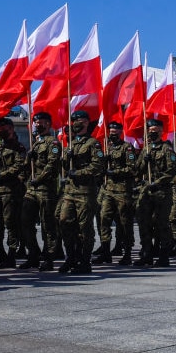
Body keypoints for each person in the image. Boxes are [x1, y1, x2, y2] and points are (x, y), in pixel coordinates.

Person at [57, 110, 104, 274]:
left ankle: (84, 261)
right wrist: (66, 158)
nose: (75, 123)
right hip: (70, 192)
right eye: (73, 121)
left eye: (78, 120)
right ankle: (71, 257)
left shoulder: (93, 143)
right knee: (64, 222)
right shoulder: (70, 143)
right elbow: (64, 167)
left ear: (85, 122)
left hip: (85, 192)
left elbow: (97, 166)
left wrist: (78, 173)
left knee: (85, 228)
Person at [19, 112, 61, 271]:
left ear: (49, 124)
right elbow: (26, 167)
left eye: (42, 122)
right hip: (31, 189)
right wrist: (27, 158)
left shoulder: (53, 143)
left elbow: (52, 165)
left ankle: (49, 257)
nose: (38, 125)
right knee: (25, 221)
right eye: (36, 122)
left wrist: (39, 179)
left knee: (47, 225)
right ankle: (33, 254)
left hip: (45, 189)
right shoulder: (35, 143)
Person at [134, 118, 176, 267]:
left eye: (155, 131)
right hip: (146, 191)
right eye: (150, 131)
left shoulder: (167, 149)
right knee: (143, 222)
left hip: (161, 192)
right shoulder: (146, 149)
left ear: (161, 131)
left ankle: (163, 254)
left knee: (161, 223)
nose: (151, 133)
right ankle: (147, 253)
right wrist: (143, 161)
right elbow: (137, 170)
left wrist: (157, 183)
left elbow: (172, 169)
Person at [95, 122, 137, 264]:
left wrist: (115, 172)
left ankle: (127, 253)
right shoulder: (107, 148)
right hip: (108, 190)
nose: (112, 135)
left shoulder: (127, 148)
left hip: (122, 191)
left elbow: (132, 169)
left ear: (120, 132)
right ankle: (106, 251)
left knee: (125, 222)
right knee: (104, 219)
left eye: (115, 132)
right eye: (110, 132)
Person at [0, 115, 26, 270]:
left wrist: (2, 175)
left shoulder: (19, 147)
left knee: (10, 223)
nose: (2, 130)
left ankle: (11, 254)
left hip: (11, 190)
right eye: (0, 128)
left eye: (5, 128)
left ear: (11, 129)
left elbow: (18, 166)